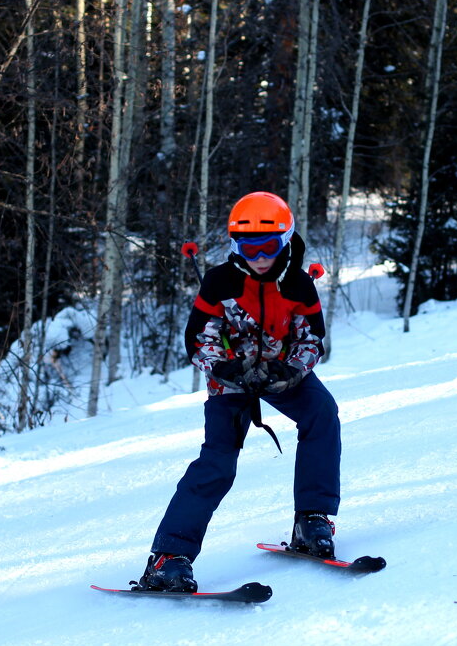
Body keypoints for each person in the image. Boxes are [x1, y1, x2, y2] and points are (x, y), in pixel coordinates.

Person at [139, 191, 342, 592]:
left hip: (282, 375)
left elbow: (311, 339)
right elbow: (199, 338)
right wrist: (225, 366)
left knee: (323, 414)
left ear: (285, 240)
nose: (260, 256)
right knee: (217, 462)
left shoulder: (299, 285)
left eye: (269, 246)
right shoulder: (220, 282)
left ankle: (312, 520)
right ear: (236, 244)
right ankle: (169, 558)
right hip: (231, 382)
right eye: (249, 246)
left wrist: (290, 370)